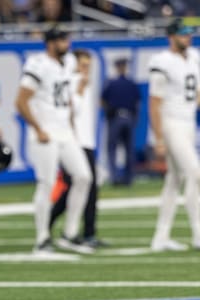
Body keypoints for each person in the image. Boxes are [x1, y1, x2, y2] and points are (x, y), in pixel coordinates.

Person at [15, 25, 93, 254]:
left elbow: (67, 98)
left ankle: (70, 233)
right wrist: (38, 128)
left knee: (83, 177)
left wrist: (71, 127)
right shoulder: (37, 64)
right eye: (62, 40)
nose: (67, 43)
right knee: (46, 183)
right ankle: (42, 238)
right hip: (45, 132)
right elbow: (21, 101)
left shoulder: (68, 62)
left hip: (64, 131)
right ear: (51, 43)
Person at [148, 18, 200, 252]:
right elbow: (154, 102)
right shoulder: (162, 61)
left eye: (189, 33)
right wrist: (159, 137)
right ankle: (198, 233)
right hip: (171, 123)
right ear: (171, 36)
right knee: (195, 174)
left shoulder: (195, 57)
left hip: (188, 123)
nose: (187, 37)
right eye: (182, 33)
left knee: (174, 181)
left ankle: (160, 237)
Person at [49, 49, 107, 248]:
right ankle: (77, 231)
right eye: (82, 65)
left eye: (88, 66)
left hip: (86, 141)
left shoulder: (84, 82)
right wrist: (80, 90)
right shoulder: (71, 82)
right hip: (75, 142)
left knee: (83, 187)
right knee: (83, 186)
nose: (86, 70)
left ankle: (78, 230)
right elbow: (72, 112)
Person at [102, 58, 141, 186]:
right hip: (128, 118)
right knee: (128, 150)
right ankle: (127, 179)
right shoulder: (131, 83)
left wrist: (108, 113)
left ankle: (114, 178)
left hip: (116, 118)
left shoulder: (111, 83)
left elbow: (102, 101)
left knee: (113, 149)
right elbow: (138, 102)